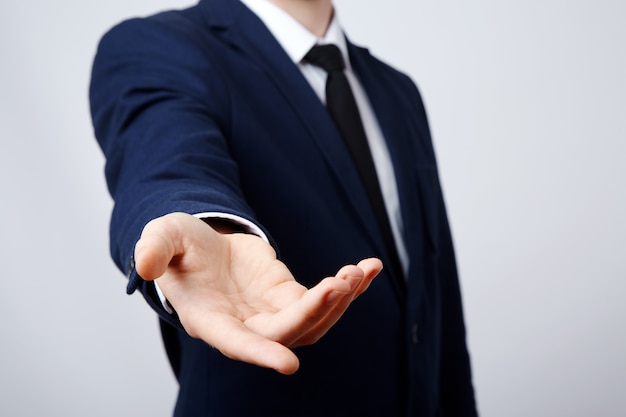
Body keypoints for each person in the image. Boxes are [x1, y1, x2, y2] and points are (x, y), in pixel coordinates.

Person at [90, 0, 478, 415]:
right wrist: (204, 220)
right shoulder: (159, 46)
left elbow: (437, 311)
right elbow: (165, 162)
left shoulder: (398, 92)